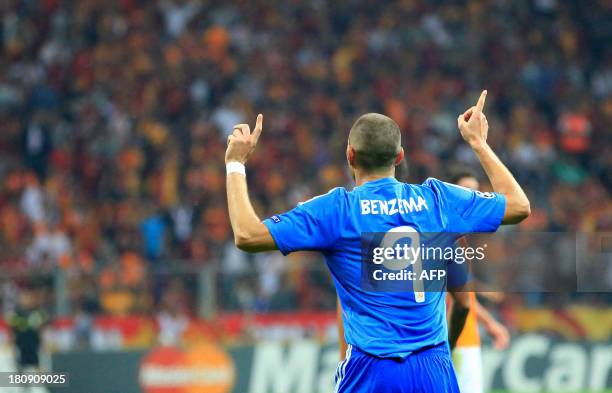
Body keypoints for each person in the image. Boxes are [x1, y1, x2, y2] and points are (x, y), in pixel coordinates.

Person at [224, 90, 530, 392]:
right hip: (433, 368)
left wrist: (236, 163)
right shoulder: (439, 200)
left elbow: (247, 235)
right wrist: (478, 142)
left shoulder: (337, 210)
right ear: (399, 157)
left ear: (350, 156)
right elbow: (518, 206)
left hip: (371, 370)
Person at [445, 169, 511, 393]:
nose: (472, 196)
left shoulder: (463, 237)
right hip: (453, 339)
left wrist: (489, 322)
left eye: (476, 191)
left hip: (465, 336)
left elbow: (464, 294)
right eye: (466, 191)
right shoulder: (446, 236)